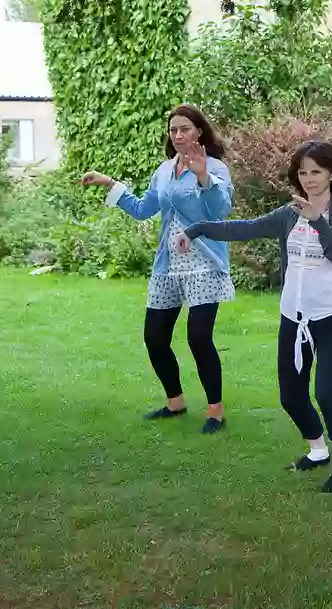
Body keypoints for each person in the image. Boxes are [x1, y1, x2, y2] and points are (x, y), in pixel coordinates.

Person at [180, 141, 332, 493]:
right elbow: (245, 228)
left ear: (331, 173)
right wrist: (198, 228)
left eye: (316, 171)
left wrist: (317, 222)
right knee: (291, 396)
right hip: (294, 318)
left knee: (327, 393)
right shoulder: (289, 214)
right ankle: (317, 451)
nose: (308, 179)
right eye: (303, 172)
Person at [81, 104, 235, 434]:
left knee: (198, 338)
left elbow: (219, 210)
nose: (178, 135)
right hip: (168, 265)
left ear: (199, 133)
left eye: (185, 129)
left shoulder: (215, 167)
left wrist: (202, 176)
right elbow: (142, 209)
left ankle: (215, 412)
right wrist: (110, 183)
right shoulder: (164, 171)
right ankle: (175, 402)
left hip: (203, 265)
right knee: (154, 337)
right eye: (173, 130)